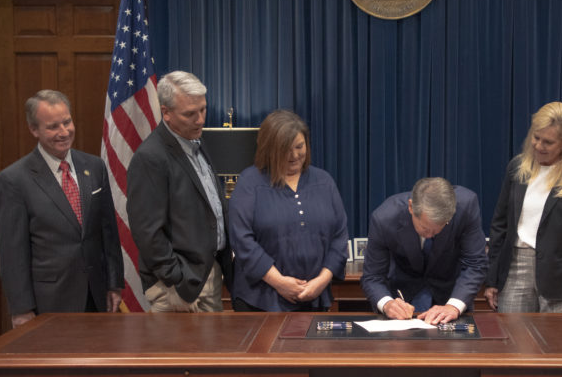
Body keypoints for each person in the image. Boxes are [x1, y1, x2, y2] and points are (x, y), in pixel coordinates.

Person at [0, 90, 123, 327]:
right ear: (34, 130)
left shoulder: (94, 166)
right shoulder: (14, 180)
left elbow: (108, 232)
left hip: (96, 296)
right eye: (53, 127)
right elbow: (11, 253)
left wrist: (114, 284)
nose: (64, 132)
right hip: (48, 302)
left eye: (67, 122)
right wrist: (21, 309)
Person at [127, 71, 232, 312]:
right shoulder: (150, 157)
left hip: (208, 274)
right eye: (190, 114)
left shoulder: (196, 142)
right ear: (166, 112)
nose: (200, 120)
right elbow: (148, 231)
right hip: (178, 286)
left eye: (203, 110)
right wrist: (175, 277)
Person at [484, 102, 562, 313]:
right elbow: (500, 225)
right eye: (536, 137)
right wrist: (492, 279)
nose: (538, 146)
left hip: (558, 276)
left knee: (556, 335)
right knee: (511, 333)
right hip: (515, 269)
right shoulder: (517, 167)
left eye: (548, 142)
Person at [228, 110, 349, 311]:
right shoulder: (249, 183)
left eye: (299, 146)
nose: (294, 155)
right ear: (269, 149)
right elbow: (242, 240)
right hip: (260, 302)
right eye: (285, 149)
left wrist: (321, 280)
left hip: (314, 297)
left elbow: (340, 237)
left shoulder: (324, 181)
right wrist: (279, 282)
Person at [361, 177, 488, 325]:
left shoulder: (465, 206)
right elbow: (373, 276)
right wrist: (387, 303)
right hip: (404, 301)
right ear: (411, 207)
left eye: (439, 227)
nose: (431, 234)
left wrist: (454, 306)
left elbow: (475, 264)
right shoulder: (385, 219)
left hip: (451, 296)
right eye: (425, 228)